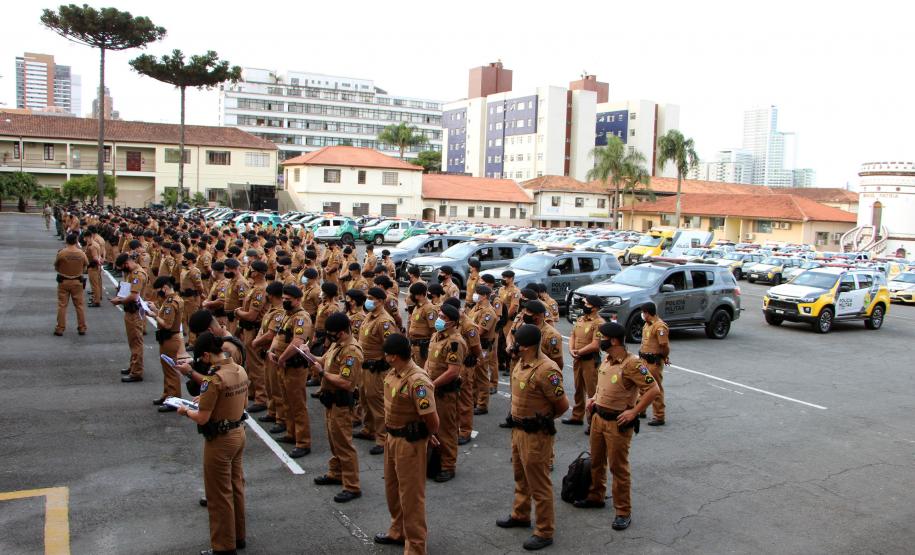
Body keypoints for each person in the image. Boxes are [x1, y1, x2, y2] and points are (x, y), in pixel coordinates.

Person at [576, 322, 659, 532]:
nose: (599, 340)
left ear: (613, 340)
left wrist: (634, 411)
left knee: (618, 468)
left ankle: (623, 511)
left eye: (601, 337)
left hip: (617, 423)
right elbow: (604, 386)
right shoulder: (607, 359)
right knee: (596, 461)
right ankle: (596, 496)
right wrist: (593, 398)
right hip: (598, 418)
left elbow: (653, 389)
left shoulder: (632, 364)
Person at [496, 324, 569, 551]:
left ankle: (545, 530)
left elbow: (562, 405)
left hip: (536, 434)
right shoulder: (522, 361)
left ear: (526, 346)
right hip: (518, 430)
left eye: (517, 342)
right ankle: (520, 514)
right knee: (521, 476)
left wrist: (543, 421)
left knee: (539, 483)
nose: (513, 345)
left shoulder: (547, 370)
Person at [176, 332, 249, 555]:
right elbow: (238, 400)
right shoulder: (238, 369)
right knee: (236, 487)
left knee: (218, 495)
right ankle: (238, 536)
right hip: (238, 432)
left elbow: (202, 418)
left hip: (220, 439)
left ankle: (223, 546)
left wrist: (185, 410)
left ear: (207, 355)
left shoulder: (213, 379)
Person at [373, 334, 439, 554]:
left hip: (409, 443)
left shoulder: (417, 381)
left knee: (411, 497)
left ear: (393, 357)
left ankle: (416, 546)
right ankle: (397, 530)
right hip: (392, 439)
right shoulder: (394, 373)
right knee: (392, 490)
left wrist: (427, 435)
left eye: (387, 353)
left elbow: (432, 419)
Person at [311, 312, 364, 503]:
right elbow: (323, 360)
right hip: (330, 400)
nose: (329, 337)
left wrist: (323, 374)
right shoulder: (337, 344)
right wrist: (308, 355)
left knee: (344, 443)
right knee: (334, 440)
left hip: (341, 401)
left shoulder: (351, 352)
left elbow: (346, 382)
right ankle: (336, 472)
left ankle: (352, 485)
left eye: (332, 334)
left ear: (341, 333)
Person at [424, 303, 467, 482]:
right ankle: (434, 462)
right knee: (431, 427)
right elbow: (429, 361)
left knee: (446, 429)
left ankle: (448, 466)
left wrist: (432, 385)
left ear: (452, 322)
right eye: (439, 315)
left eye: (443, 317)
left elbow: (452, 372)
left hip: (444, 392)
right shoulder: (437, 335)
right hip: (432, 387)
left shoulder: (455, 342)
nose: (438, 319)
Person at [269, 285, 313, 458]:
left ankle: (303, 442)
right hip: (283, 365)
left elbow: (297, 341)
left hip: (294, 366)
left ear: (297, 300)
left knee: (297, 404)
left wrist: (282, 358)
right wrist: (272, 351)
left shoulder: (302, 318)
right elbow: (278, 336)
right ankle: (291, 433)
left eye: (289, 300)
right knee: (286, 401)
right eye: (284, 299)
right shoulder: (288, 315)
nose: (285, 302)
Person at [355, 287, 396, 455]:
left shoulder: (384, 321)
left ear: (380, 301)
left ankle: (382, 438)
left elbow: (390, 347)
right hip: (364, 367)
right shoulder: (369, 317)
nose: (368, 301)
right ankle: (369, 429)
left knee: (377, 403)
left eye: (371, 298)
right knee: (364, 399)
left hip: (376, 369)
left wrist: (383, 364)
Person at [563, 295, 605, 431]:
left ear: (595, 308)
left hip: (589, 361)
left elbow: (595, 345)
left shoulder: (599, 323)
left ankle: (593, 422)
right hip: (578, 359)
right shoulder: (581, 319)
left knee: (592, 393)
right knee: (578, 389)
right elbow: (573, 335)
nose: (584, 306)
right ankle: (577, 416)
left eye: (587, 304)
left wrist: (579, 352)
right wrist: (571, 349)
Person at [234, 260, 270, 413]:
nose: (249, 271)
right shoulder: (254, 288)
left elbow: (251, 315)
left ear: (258, 273)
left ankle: (262, 398)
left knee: (257, 365)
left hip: (255, 330)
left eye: (252, 269)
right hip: (248, 330)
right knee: (250, 363)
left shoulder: (260, 291)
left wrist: (238, 312)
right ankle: (253, 391)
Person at [149, 275, 185, 412]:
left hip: (170, 338)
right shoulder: (174, 299)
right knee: (167, 369)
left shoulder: (171, 302)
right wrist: (156, 310)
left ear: (165, 288)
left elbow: (167, 324)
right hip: (169, 338)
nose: (159, 293)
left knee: (171, 370)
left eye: (159, 290)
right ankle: (167, 395)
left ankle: (174, 399)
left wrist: (154, 315)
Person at [112, 253, 147, 383]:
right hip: (130, 311)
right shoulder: (132, 273)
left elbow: (134, 296)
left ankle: (137, 371)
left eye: (122, 267)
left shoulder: (138, 275)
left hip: (135, 312)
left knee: (136, 342)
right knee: (132, 341)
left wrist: (119, 301)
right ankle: (133, 365)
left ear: (127, 263)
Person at [468, 284, 498, 415]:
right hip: (474, 345)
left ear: (485, 296)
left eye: (478, 293)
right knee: (473, 375)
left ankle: (482, 404)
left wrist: (465, 332)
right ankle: (474, 400)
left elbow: (480, 330)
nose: (475, 295)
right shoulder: (477, 307)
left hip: (483, 347)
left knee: (482, 376)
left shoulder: (488, 312)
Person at [638, 302, 669, 426]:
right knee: (642, 386)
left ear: (647, 313)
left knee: (655, 388)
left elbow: (664, 346)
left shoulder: (660, 327)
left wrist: (664, 357)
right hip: (644, 360)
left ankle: (659, 416)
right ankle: (641, 409)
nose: (642, 315)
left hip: (653, 362)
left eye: (643, 312)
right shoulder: (647, 324)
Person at [54, 233, 89, 336]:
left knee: (62, 305)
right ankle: (82, 327)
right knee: (79, 306)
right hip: (77, 281)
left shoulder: (62, 253)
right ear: (76, 241)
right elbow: (86, 266)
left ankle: (60, 328)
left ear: (66, 241)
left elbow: (56, 266)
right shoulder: (81, 253)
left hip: (64, 281)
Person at [406, 282, 437, 367]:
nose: (411, 296)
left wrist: (431, 347)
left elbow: (434, 330)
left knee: (421, 370)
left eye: (413, 294)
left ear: (419, 295)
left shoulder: (429, 309)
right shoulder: (417, 307)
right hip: (413, 345)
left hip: (422, 346)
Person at [83, 227, 103, 307]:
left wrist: (97, 264)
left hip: (93, 267)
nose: (85, 239)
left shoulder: (92, 246)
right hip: (95, 266)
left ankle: (96, 301)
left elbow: (95, 257)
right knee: (96, 284)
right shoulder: (95, 244)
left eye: (85, 237)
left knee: (94, 285)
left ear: (88, 237)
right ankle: (95, 298)